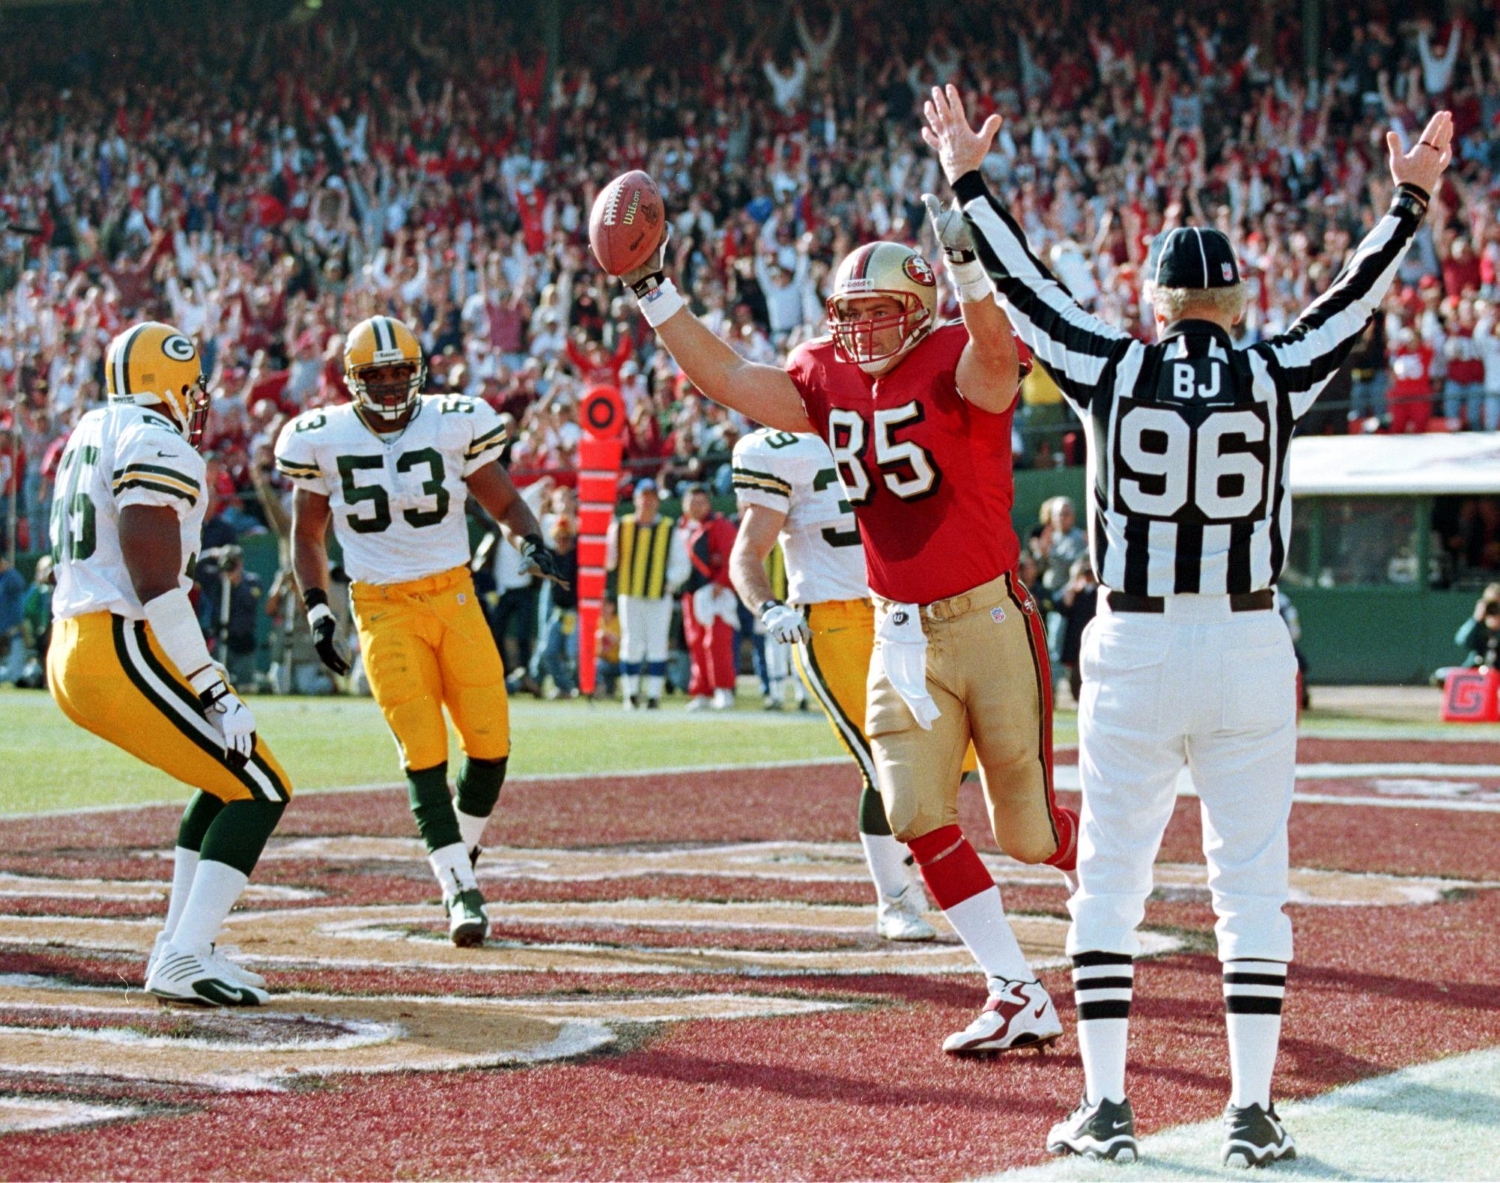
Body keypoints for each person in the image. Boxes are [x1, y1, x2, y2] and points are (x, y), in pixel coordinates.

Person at [928, 84, 1453, 1166]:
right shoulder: (1268, 370)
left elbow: (1026, 291)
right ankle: (1252, 1112)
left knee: (1111, 879)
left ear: (1157, 298)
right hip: (1252, 640)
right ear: (1234, 295)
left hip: (1133, 638)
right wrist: (1406, 205)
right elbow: (1350, 305)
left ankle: (1111, 1108)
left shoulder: (1115, 368)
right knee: (1249, 881)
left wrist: (969, 181)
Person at [621, 182, 1078, 1054]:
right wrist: (654, 291)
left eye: (878, 312)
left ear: (920, 308)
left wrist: (973, 270)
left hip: (988, 619)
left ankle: (1106, 883)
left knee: (1026, 830)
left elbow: (990, 357)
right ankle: (1016, 988)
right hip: (898, 628)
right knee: (911, 809)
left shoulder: (956, 349)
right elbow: (724, 376)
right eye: (847, 313)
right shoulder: (824, 373)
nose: (858, 330)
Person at [276, 315, 566, 947]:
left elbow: (504, 503)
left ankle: (455, 854)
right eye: (375, 375)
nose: (387, 386)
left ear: (418, 372)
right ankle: (459, 886)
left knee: (491, 745)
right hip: (380, 605)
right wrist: (319, 608)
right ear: (352, 380)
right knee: (423, 748)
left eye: (398, 373)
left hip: (454, 593)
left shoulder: (453, 420)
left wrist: (531, 541)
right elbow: (307, 533)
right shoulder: (320, 437)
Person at [47, 321, 293, 1006]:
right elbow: (154, 579)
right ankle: (183, 954)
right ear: (172, 383)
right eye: (191, 387)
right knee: (263, 785)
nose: (198, 401)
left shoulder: (93, 426)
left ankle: (183, 942)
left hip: (83, 639)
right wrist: (215, 688)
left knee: (224, 777)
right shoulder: (153, 438)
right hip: (116, 640)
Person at [729, 425, 935, 942]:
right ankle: (894, 899)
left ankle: (908, 863)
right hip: (831, 618)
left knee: (953, 754)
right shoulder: (781, 449)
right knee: (883, 762)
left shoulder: (885, 418)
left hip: (903, 610)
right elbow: (747, 551)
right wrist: (769, 605)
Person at [607, 478, 689, 709]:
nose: (648, 502)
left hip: (657, 596)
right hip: (629, 593)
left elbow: (681, 564)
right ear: (636, 499)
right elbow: (610, 560)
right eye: (644, 497)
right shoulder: (621, 526)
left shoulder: (668, 528)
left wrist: (668, 583)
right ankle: (630, 694)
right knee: (631, 642)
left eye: (652, 498)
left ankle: (654, 695)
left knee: (657, 643)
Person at [679, 483, 739, 711]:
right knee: (695, 642)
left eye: (701, 502)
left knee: (716, 641)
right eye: (692, 502)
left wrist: (721, 583)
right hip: (691, 595)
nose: (696, 507)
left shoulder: (720, 525)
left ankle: (723, 689)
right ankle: (701, 691)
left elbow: (731, 557)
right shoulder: (682, 529)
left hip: (717, 594)